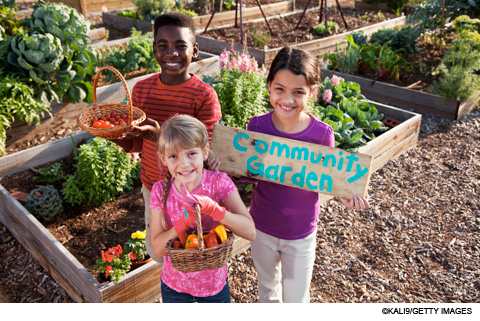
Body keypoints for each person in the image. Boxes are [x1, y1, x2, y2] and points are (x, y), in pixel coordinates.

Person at [246, 46, 370, 303]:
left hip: (301, 233)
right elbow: (248, 172)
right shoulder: (257, 126)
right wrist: (221, 166)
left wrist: (345, 194)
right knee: (267, 291)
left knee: (296, 300)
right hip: (261, 227)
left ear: (312, 93)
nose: (287, 100)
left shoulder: (321, 135)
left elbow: (328, 176)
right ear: (269, 86)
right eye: (280, 89)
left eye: (298, 92)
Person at [109, 12, 222, 262]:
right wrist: (116, 136)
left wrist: (158, 135)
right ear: (154, 50)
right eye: (163, 46)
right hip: (154, 188)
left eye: (181, 46)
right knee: (160, 251)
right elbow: (135, 144)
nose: (171, 53)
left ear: (195, 50)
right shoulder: (142, 90)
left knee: (194, 250)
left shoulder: (203, 96)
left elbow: (202, 150)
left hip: (192, 191)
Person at [149, 114, 256, 303]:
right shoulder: (159, 191)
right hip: (174, 285)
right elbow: (158, 249)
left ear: (205, 152)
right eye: (173, 156)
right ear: (163, 158)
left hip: (213, 286)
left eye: (191, 153)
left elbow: (250, 231)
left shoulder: (219, 183)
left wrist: (216, 211)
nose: (184, 164)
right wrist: (183, 224)